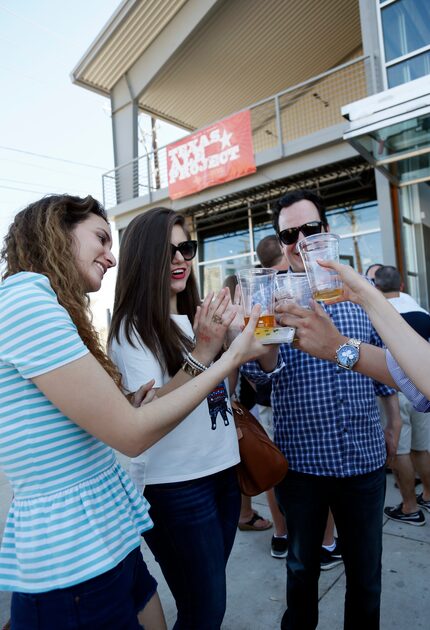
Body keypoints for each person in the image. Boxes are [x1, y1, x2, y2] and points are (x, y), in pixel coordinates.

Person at [0, 195, 266, 630]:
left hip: (108, 529)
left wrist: (123, 404)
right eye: (101, 239)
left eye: (187, 249)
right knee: (205, 607)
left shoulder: (50, 305)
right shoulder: (27, 301)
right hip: (73, 550)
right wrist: (228, 357)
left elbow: (88, 418)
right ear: (55, 233)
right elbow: (132, 435)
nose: (110, 256)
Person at [241, 189, 401, 630]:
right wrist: (263, 351)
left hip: (364, 460)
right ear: (281, 241)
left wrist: (394, 420)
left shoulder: (358, 296)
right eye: (289, 234)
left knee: (366, 578)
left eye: (309, 229)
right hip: (303, 466)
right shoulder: (271, 301)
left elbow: (386, 365)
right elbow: (262, 381)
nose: (299, 240)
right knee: (300, 573)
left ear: (325, 232)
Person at [108, 207, 270, 629]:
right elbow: (149, 410)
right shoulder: (132, 328)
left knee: (209, 598)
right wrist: (204, 351)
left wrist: (249, 334)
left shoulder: (197, 318)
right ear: (144, 258)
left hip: (223, 473)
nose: (181, 258)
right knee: (205, 608)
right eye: (169, 250)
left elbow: (237, 378)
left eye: (187, 247)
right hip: (176, 489)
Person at [373, 266, 430, 524]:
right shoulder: (422, 313)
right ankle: (428, 495)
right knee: (421, 448)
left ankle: (409, 507)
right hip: (425, 390)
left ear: (375, 287)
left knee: (400, 451)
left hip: (395, 391)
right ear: (403, 286)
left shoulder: (378, 316)